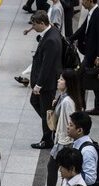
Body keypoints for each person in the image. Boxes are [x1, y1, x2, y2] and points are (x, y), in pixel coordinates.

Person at [33, 69, 82, 186]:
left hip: (64, 141)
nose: (58, 81)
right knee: (55, 167)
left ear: (67, 83)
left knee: (58, 168)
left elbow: (69, 123)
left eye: (61, 79)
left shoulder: (67, 101)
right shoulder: (65, 96)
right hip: (62, 140)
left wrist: (64, 143)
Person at [28, 10, 63, 150]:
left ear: (42, 23)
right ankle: (51, 125)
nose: (33, 27)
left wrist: (39, 84)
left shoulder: (50, 40)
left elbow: (46, 65)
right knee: (38, 105)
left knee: (46, 111)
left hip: (46, 84)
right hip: (46, 82)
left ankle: (47, 138)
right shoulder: (52, 31)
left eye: (34, 24)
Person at [69, 0, 99, 116]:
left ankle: (80, 107)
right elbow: (82, 29)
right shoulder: (92, 13)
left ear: (90, 0)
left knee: (79, 77)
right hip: (89, 53)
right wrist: (70, 38)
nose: (81, 2)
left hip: (93, 55)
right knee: (95, 80)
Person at [68, 111, 99, 186]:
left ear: (79, 130)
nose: (68, 127)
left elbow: (91, 178)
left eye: (71, 125)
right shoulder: (77, 144)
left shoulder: (87, 151)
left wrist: (71, 173)